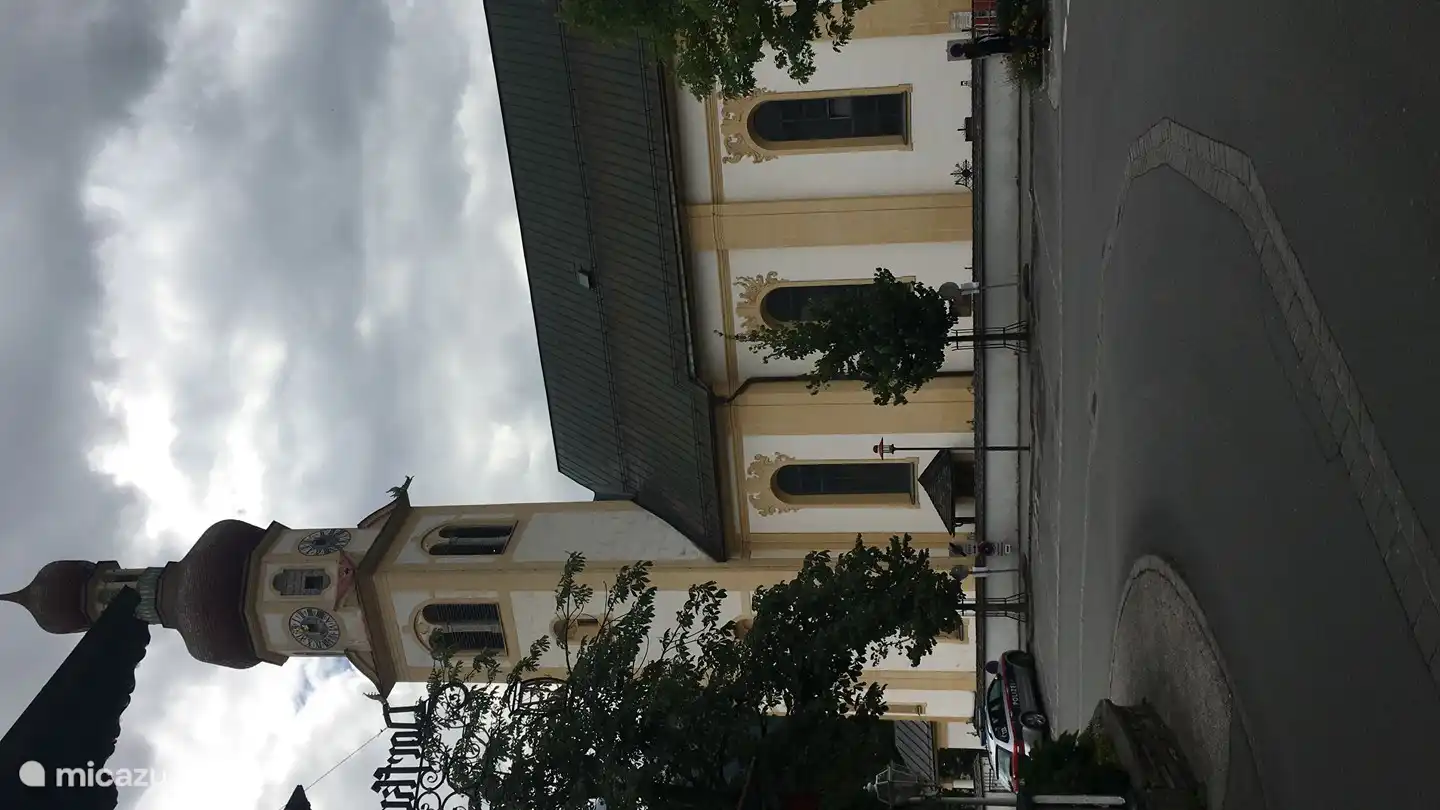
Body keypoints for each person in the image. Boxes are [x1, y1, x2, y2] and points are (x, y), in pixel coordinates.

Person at [948, 32, 1050, 60]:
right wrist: (1005, 43)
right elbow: (993, 46)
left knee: (1024, 41)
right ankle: (1044, 45)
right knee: (1024, 42)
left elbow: (990, 37)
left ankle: (1042, 43)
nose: (965, 43)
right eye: (963, 45)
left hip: (1004, 41)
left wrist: (1001, 35)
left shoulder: (976, 44)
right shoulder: (978, 48)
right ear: (963, 48)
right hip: (1005, 44)